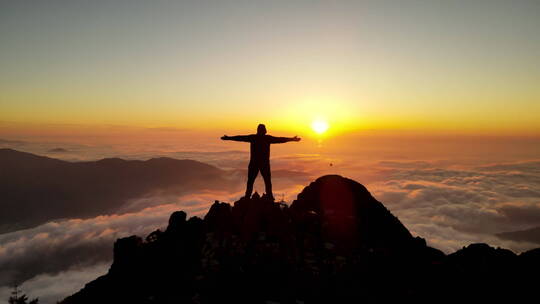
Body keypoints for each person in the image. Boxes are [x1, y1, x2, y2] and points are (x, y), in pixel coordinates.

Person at [221, 124, 301, 200]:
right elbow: (280, 139)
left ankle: (248, 196)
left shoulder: (253, 137)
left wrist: (228, 138)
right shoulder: (267, 138)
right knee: (266, 181)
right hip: (264, 164)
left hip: (254, 163)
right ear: (264, 130)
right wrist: (292, 139)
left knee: (251, 181)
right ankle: (269, 196)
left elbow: (240, 138)